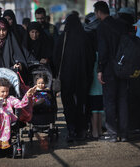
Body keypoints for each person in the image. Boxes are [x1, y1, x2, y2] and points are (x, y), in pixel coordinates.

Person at [53, 14, 93, 142]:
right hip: (83, 78)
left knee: (68, 103)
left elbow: (56, 58)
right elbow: (91, 58)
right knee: (82, 102)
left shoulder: (62, 38)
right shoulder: (85, 38)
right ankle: (82, 128)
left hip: (66, 78)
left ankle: (71, 129)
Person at [94, 1, 128, 142]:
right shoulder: (121, 24)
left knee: (109, 101)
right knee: (123, 100)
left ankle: (113, 134)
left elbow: (103, 50)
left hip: (109, 68)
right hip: (123, 67)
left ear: (99, 12)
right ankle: (125, 134)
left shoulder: (102, 27)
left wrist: (100, 69)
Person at [0, 78, 36, 149]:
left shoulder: (10, 99)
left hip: (8, 118)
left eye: (7, 91)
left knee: (6, 115)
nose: (5, 93)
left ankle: (5, 140)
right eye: (3, 91)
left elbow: (21, 104)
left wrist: (27, 95)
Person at [84, 13, 103, 140]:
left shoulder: (86, 36)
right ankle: (99, 130)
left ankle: (94, 131)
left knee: (93, 106)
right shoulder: (102, 34)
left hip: (91, 77)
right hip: (101, 76)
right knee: (99, 105)